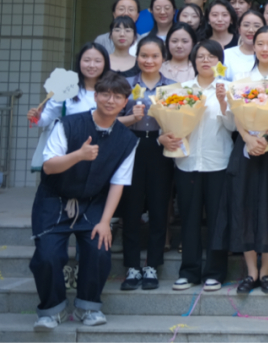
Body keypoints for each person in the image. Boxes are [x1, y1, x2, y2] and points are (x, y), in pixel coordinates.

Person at [30, 72, 137, 332]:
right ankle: (51, 310)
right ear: (95, 96)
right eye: (105, 94)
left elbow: (118, 183)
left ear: (125, 103)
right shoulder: (68, 124)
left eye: (118, 97)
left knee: (99, 249)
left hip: (93, 202)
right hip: (53, 199)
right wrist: (78, 155)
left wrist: (105, 222)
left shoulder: (127, 140)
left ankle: (88, 306)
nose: (110, 100)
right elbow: (49, 167)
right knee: (47, 256)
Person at [220, 28, 268, 295]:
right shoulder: (242, 77)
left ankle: (266, 271)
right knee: (244, 203)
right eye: (260, 43)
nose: (264, 48)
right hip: (245, 145)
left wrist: (265, 137)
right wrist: (248, 139)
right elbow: (236, 112)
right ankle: (251, 272)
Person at [170, 40, 232, 293]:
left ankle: (215, 273)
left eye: (211, 56)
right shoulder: (182, 90)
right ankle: (189, 271)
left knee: (218, 221)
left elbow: (234, 127)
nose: (206, 60)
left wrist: (224, 103)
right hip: (187, 162)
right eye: (200, 57)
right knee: (189, 219)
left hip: (218, 161)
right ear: (193, 61)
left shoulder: (228, 88)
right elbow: (171, 123)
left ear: (219, 61)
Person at [116, 36, 175, 291]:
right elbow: (111, 119)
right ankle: (131, 265)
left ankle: (152, 265)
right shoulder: (125, 85)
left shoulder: (172, 87)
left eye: (154, 56)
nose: (149, 60)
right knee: (131, 208)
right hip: (131, 146)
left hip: (160, 146)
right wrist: (131, 117)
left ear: (163, 58)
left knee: (159, 207)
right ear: (136, 57)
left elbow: (181, 119)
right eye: (144, 56)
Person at [28, 43, 110, 137]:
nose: (91, 65)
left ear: (105, 63)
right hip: (72, 143)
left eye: (97, 61)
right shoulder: (65, 88)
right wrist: (37, 117)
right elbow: (47, 117)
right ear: (79, 61)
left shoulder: (113, 89)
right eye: (87, 60)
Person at [223, 11, 267, 81]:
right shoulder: (226, 55)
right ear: (239, 29)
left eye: (256, 26)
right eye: (246, 25)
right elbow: (218, 82)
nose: (251, 30)